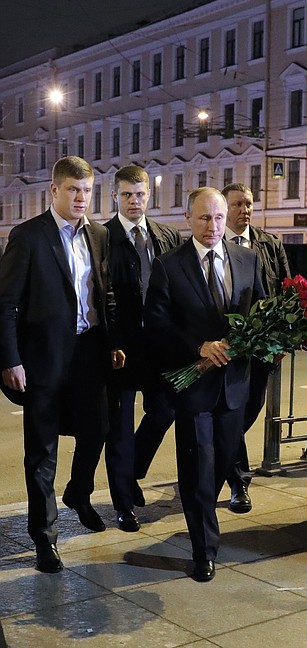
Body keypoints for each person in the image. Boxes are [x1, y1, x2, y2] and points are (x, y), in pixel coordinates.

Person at [0, 156, 125, 574]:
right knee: (42, 453)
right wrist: (10, 359)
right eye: (73, 189)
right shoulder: (28, 236)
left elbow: (103, 291)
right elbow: (5, 304)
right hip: (43, 359)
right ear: (54, 190)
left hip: (89, 354)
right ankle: (45, 538)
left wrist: (113, 341)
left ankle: (77, 491)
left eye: (87, 190)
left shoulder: (101, 234)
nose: (81, 198)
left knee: (99, 430)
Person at [144, 187, 265, 582]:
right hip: (193, 386)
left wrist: (259, 339)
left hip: (234, 386)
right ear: (188, 217)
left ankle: (202, 514)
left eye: (217, 218)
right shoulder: (169, 265)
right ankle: (203, 550)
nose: (212, 227)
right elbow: (157, 324)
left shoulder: (248, 258)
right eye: (203, 218)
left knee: (220, 462)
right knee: (197, 466)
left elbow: (261, 310)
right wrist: (199, 346)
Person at [104, 165, 182, 532]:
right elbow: (97, 296)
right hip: (120, 350)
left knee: (164, 411)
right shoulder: (102, 237)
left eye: (140, 194)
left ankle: (132, 471)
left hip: (158, 347)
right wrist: (113, 341)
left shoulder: (166, 237)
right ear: (115, 196)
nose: (134, 201)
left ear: (150, 195)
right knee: (118, 427)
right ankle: (123, 503)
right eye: (127, 195)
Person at [221, 182, 291, 513]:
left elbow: (285, 293)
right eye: (237, 204)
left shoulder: (270, 244)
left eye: (248, 203)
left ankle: (220, 461)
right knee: (231, 412)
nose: (244, 210)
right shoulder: (214, 242)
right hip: (227, 348)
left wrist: (283, 339)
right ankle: (238, 482)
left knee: (250, 410)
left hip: (262, 348)